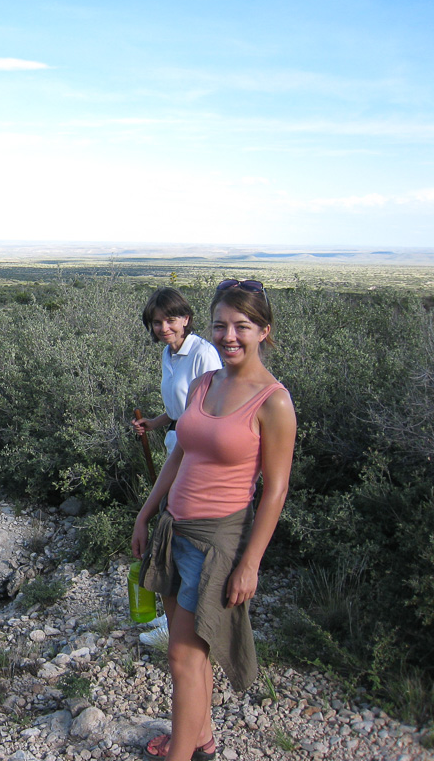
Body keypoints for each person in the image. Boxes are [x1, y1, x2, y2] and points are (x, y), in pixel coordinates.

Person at [131, 279, 296, 761]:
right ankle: (200, 739)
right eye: (221, 324)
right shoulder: (206, 382)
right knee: (189, 656)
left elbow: (276, 489)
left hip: (217, 541)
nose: (229, 335)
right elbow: (180, 451)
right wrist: (147, 513)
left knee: (183, 654)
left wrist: (250, 564)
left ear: (263, 330)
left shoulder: (273, 401)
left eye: (242, 326)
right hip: (174, 527)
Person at [132, 288, 222, 645]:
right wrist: (155, 423)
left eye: (170, 319)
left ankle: (190, 627)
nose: (163, 327)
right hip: (176, 448)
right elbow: (177, 407)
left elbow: (212, 411)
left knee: (182, 536)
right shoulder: (170, 355)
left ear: (185, 317)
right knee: (170, 534)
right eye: (157, 322)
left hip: (195, 458)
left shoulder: (203, 354)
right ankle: (175, 621)